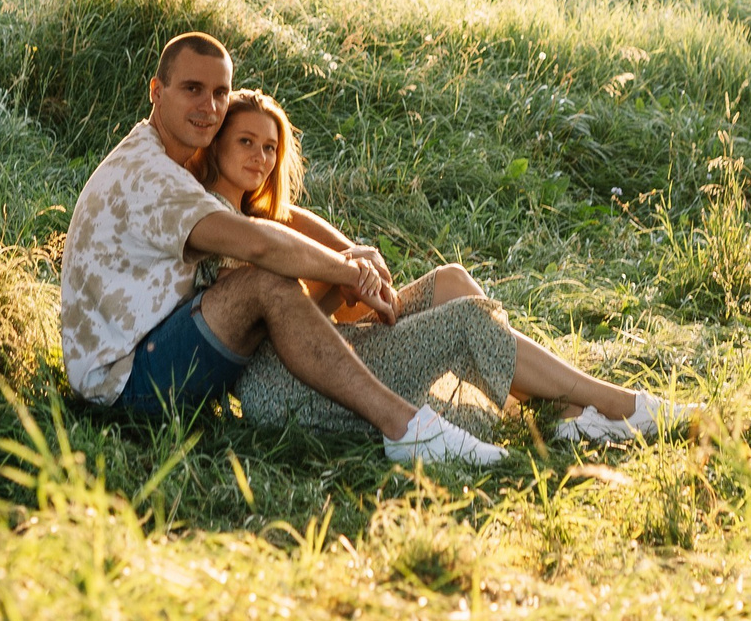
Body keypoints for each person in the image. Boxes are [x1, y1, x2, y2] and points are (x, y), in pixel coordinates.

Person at [58, 31, 508, 466]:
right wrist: (349, 273)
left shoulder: (167, 159)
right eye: (193, 88)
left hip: (153, 351)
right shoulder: (151, 174)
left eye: (220, 92)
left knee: (288, 282)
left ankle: (554, 406)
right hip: (125, 385)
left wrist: (350, 254)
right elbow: (258, 241)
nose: (209, 106)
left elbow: (268, 217)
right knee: (263, 283)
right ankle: (405, 428)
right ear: (157, 91)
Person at [196, 89, 700, 443]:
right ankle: (623, 407)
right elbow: (267, 325)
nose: (261, 157)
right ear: (216, 144)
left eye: (270, 147)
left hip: (314, 354)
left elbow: (313, 316)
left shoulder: (261, 215)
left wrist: (347, 281)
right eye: (246, 142)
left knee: (451, 281)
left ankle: (554, 412)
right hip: (279, 384)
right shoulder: (214, 222)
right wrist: (340, 274)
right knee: (468, 319)